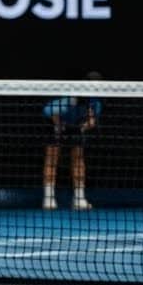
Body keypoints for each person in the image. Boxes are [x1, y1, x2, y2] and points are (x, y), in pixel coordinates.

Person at [42, 72, 102, 211]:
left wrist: (87, 124)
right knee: (51, 160)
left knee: (78, 160)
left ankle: (79, 199)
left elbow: (92, 118)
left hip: (76, 126)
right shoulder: (71, 93)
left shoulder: (95, 100)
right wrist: (58, 125)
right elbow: (48, 110)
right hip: (56, 125)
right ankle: (49, 198)